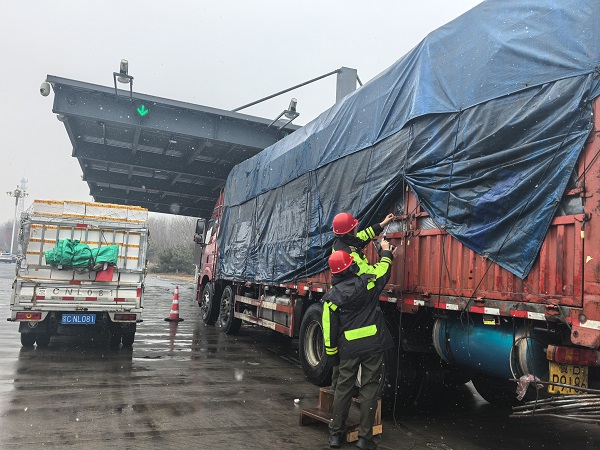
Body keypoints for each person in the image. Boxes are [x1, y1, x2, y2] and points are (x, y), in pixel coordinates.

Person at [322, 244, 396, 450]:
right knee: (369, 389)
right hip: (373, 344)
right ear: (352, 265)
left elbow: (329, 329)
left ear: (334, 273)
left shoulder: (331, 298)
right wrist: (386, 253)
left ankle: (336, 436)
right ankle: (364, 438)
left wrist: (331, 354)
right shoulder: (368, 283)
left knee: (343, 388)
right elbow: (383, 271)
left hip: (349, 349)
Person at [332, 212, 394, 276]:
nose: (356, 228)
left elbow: (364, 235)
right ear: (350, 232)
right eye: (355, 227)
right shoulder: (349, 255)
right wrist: (387, 255)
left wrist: (382, 224)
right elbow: (372, 275)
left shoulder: (342, 241)